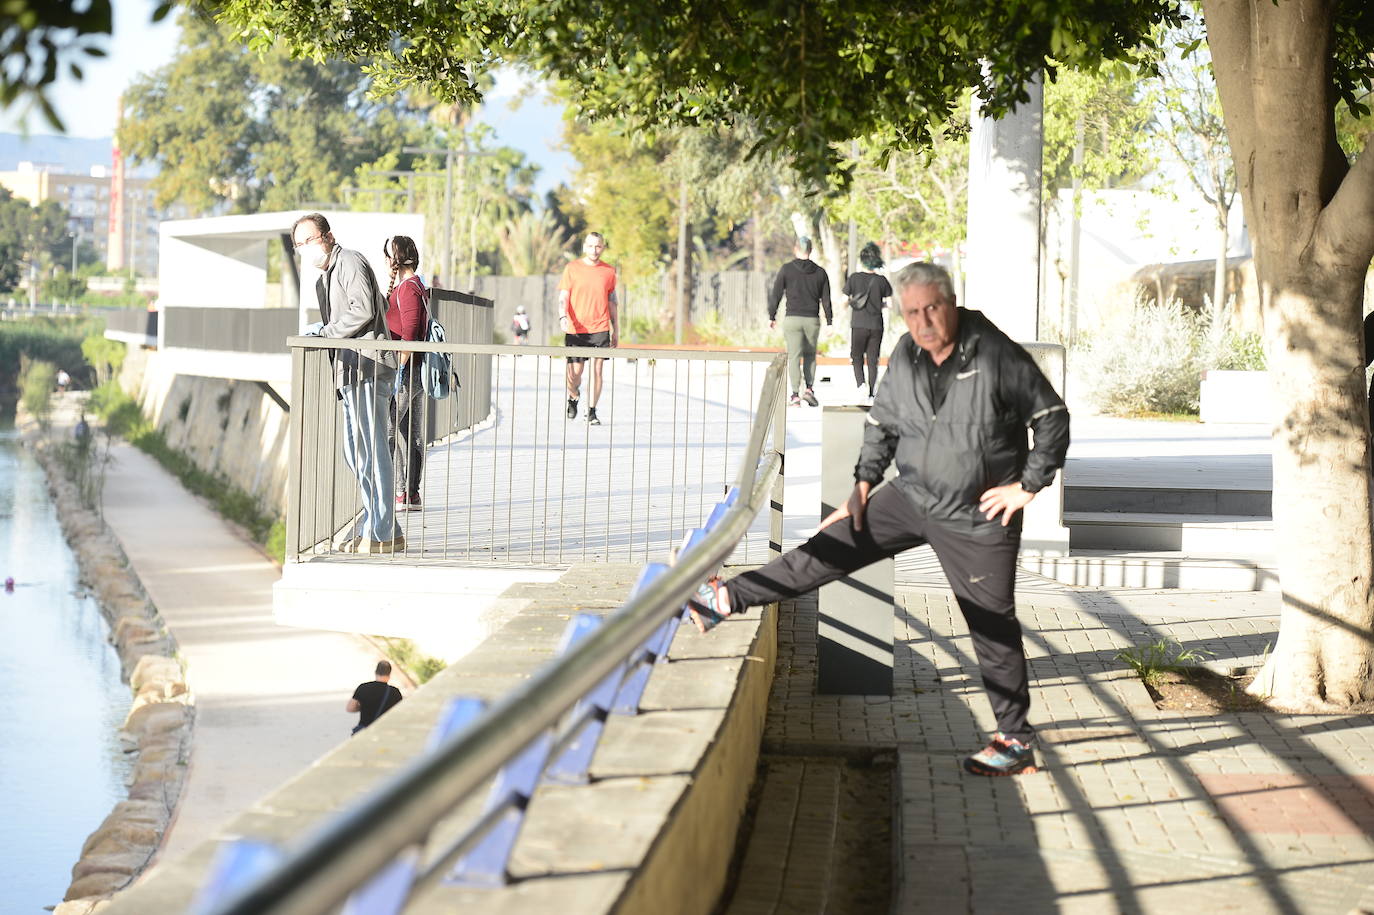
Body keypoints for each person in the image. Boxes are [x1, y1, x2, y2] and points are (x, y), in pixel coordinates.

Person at [690, 261, 1070, 777]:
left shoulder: (994, 353)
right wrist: (863, 486)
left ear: (951, 303)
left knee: (990, 624)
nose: (922, 322)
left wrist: (1027, 486)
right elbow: (881, 425)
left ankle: (1015, 740)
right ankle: (725, 600)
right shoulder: (909, 354)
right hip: (910, 495)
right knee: (825, 551)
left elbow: (1051, 418)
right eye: (912, 312)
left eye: (932, 309)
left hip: (977, 516)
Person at [293, 213, 404, 554]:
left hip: (368, 365)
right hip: (349, 369)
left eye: (309, 240)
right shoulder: (323, 280)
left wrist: (325, 332)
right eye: (299, 245)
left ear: (327, 236)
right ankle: (381, 524)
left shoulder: (350, 262)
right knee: (355, 453)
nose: (305, 249)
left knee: (371, 450)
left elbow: (364, 310)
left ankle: (381, 533)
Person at [384, 235, 428, 513]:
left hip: (406, 372)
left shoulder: (408, 289)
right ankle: (410, 494)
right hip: (414, 371)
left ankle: (400, 491)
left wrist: (398, 369)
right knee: (409, 433)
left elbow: (410, 333)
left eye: (387, 255)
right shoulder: (414, 286)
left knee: (388, 430)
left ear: (396, 258)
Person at [558, 232, 619, 425]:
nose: (594, 250)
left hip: (600, 326)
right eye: (591, 246)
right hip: (576, 328)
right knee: (575, 374)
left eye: (598, 246)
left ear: (603, 247)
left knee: (598, 370)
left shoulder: (609, 271)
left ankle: (592, 411)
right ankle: (573, 396)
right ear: (585, 247)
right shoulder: (572, 268)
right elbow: (564, 296)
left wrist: (616, 328)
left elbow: (612, 302)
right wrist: (562, 315)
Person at [768, 237, 833, 407]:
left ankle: (795, 395)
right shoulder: (820, 272)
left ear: (795, 249)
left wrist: (772, 316)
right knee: (810, 355)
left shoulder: (786, 270)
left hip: (793, 319)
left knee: (794, 356)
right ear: (810, 250)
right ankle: (809, 389)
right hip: (812, 319)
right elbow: (826, 300)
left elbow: (776, 294)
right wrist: (830, 322)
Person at [843, 242, 892, 403]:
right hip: (876, 325)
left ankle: (861, 385)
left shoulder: (854, 278)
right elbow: (889, 304)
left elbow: (843, 300)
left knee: (856, 356)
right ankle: (872, 392)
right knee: (873, 359)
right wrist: (879, 304)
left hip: (858, 324)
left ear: (862, 260)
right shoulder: (882, 280)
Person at [348, 660, 403, 734]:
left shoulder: (363, 688)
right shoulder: (395, 692)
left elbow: (350, 708)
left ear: (375, 672)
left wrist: (363, 707)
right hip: (385, 732)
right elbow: (399, 714)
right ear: (389, 675)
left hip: (365, 731)